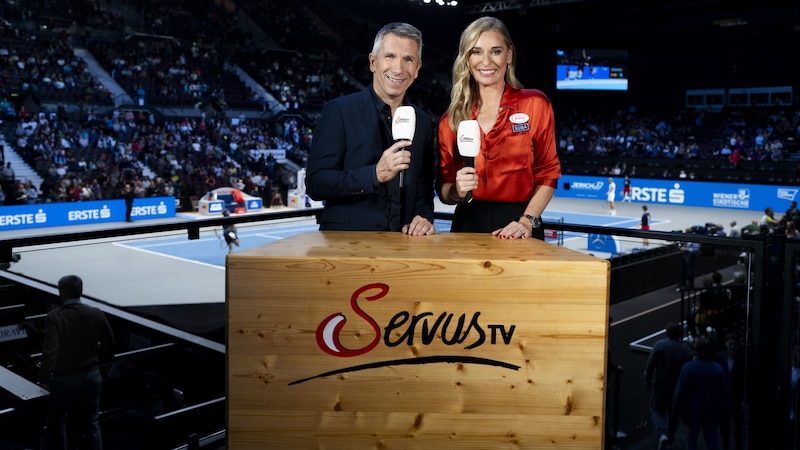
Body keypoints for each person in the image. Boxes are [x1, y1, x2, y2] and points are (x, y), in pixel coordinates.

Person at [305, 22, 435, 236]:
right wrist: (374, 174)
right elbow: (316, 183)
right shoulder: (338, 111)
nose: (398, 69)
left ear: (417, 68)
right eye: (390, 56)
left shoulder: (423, 121)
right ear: (373, 62)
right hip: (347, 245)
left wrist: (423, 215)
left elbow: (422, 188)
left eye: (408, 59)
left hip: (404, 246)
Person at [437, 16, 561, 240]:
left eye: (495, 51)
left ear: (509, 55)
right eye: (476, 52)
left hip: (520, 224)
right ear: (467, 59)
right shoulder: (451, 119)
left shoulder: (535, 104)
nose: (486, 61)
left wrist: (527, 221)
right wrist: (457, 190)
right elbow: (444, 190)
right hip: (467, 224)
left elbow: (549, 174)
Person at [39, 275, 115, 450]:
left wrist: (43, 378)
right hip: (91, 376)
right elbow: (109, 345)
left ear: (61, 293)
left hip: (63, 379)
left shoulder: (54, 317)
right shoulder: (96, 313)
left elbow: (50, 352)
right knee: (92, 423)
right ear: (81, 290)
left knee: (57, 423)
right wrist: (103, 369)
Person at [671, 337, 731, 450]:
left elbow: (680, 393)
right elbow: (725, 394)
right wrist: (726, 413)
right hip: (711, 412)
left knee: (691, 440)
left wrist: (676, 411)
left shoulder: (688, 368)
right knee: (712, 441)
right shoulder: (717, 369)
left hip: (693, 412)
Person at [644, 321, 693, 450]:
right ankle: (670, 440)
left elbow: (650, 365)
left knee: (656, 410)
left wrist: (647, 379)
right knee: (674, 414)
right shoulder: (686, 350)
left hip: (661, 385)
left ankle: (662, 433)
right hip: (677, 387)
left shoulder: (659, 345)